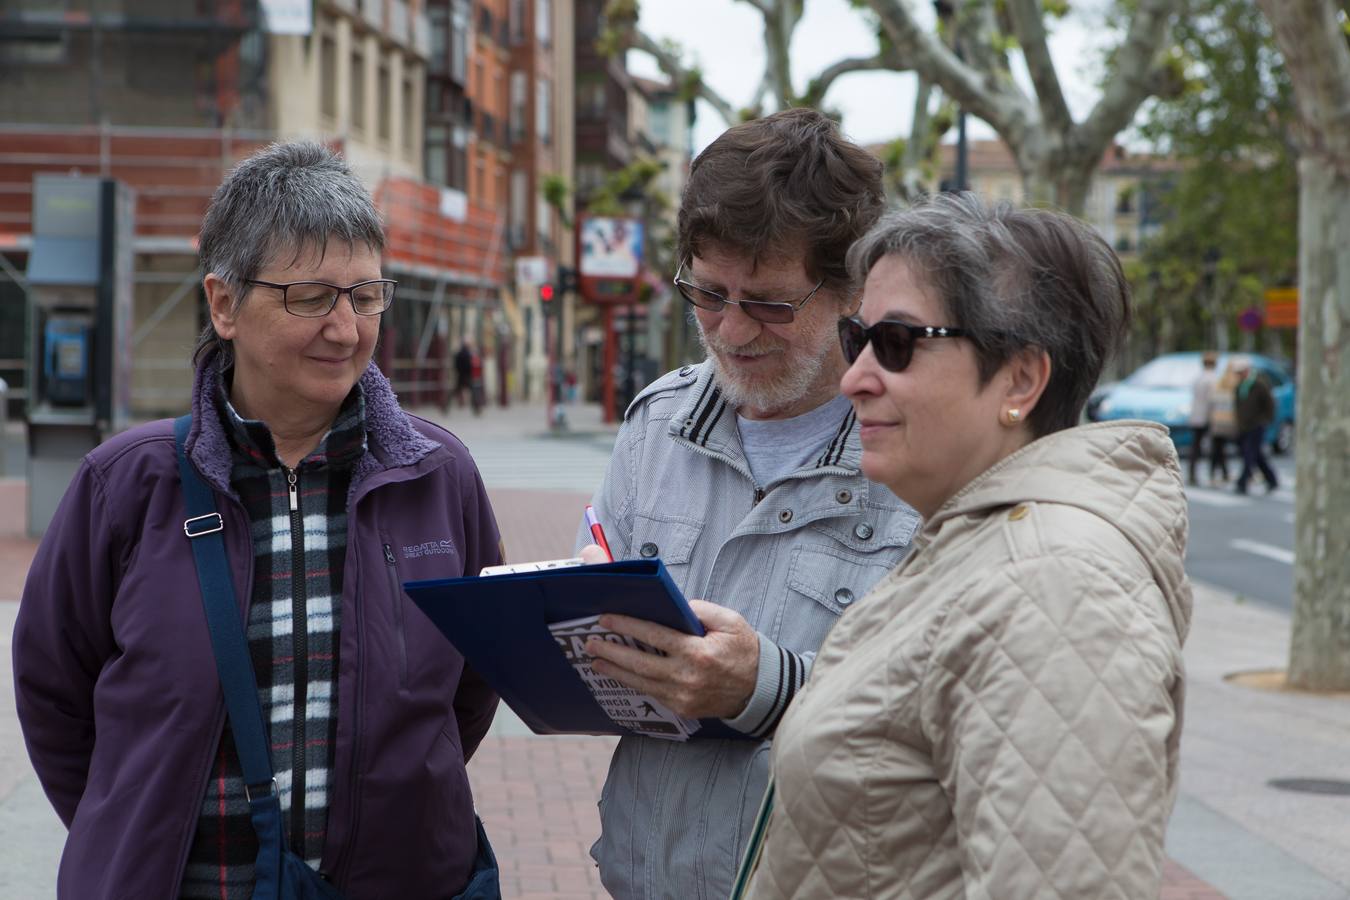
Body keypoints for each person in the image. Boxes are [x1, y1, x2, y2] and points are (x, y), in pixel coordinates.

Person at [14, 142, 504, 898]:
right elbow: (53, 691)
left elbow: (471, 690)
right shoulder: (125, 486)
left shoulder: (438, 478)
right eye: (310, 298)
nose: (345, 330)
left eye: (366, 295)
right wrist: (133, 830)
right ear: (223, 303)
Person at [738, 194, 1192, 898]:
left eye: (897, 345)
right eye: (857, 340)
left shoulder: (1052, 589)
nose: (854, 377)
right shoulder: (979, 543)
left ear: (1020, 379)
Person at [574, 107, 921, 899]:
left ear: (851, 293)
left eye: (768, 303)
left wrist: (768, 689)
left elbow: (941, 718)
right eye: (708, 292)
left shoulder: (915, 451)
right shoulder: (655, 423)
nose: (730, 330)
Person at [1232, 355, 1278, 494]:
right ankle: (1272, 479)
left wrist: (1264, 420)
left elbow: (1269, 404)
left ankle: (1242, 482)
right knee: (1256, 455)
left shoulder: (1259, 384)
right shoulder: (1239, 386)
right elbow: (1237, 406)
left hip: (1257, 425)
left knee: (1249, 454)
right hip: (1244, 426)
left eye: (1241, 372)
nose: (1239, 375)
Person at [1187, 350, 1220, 485]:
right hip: (1208, 416)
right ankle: (1214, 474)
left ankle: (1192, 473)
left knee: (1196, 446)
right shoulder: (1213, 378)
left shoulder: (1198, 378)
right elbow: (1212, 399)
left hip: (1196, 415)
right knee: (1215, 446)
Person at [1207, 359, 1241, 484]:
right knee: (1227, 448)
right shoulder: (1236, 384)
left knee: (1217, 448)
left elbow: (1212, 401)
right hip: (1229, 420)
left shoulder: (1219, 382)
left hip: (1217, 419)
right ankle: (1226, 474)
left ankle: (1215, 474)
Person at [454, 340, 475, 408]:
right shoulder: (468, 354)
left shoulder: (459, 353)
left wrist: (458, 371)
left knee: (456, 389)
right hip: (467, 375)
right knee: (473, 390)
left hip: (460, 374)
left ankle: (445, 407)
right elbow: (470, 365)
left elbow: (456, 364)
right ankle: (477, 408)